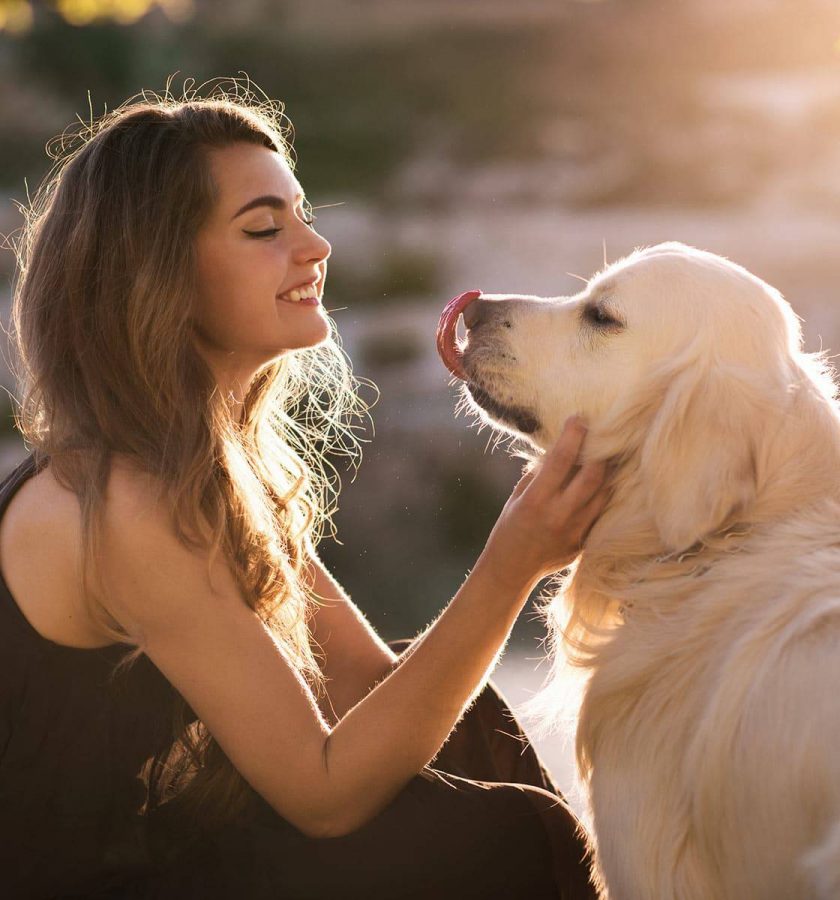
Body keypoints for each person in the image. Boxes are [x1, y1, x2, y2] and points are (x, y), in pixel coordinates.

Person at [0, 80, 610, 899]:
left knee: (470, 723)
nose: (316, 246)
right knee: (497, 836)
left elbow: (364, 684)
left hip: (174, 855)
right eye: (265, 227)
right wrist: (513, 562)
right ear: (158, 277)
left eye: (301, 212)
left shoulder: (201, 468)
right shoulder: (121, 503)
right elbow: (324, 797)